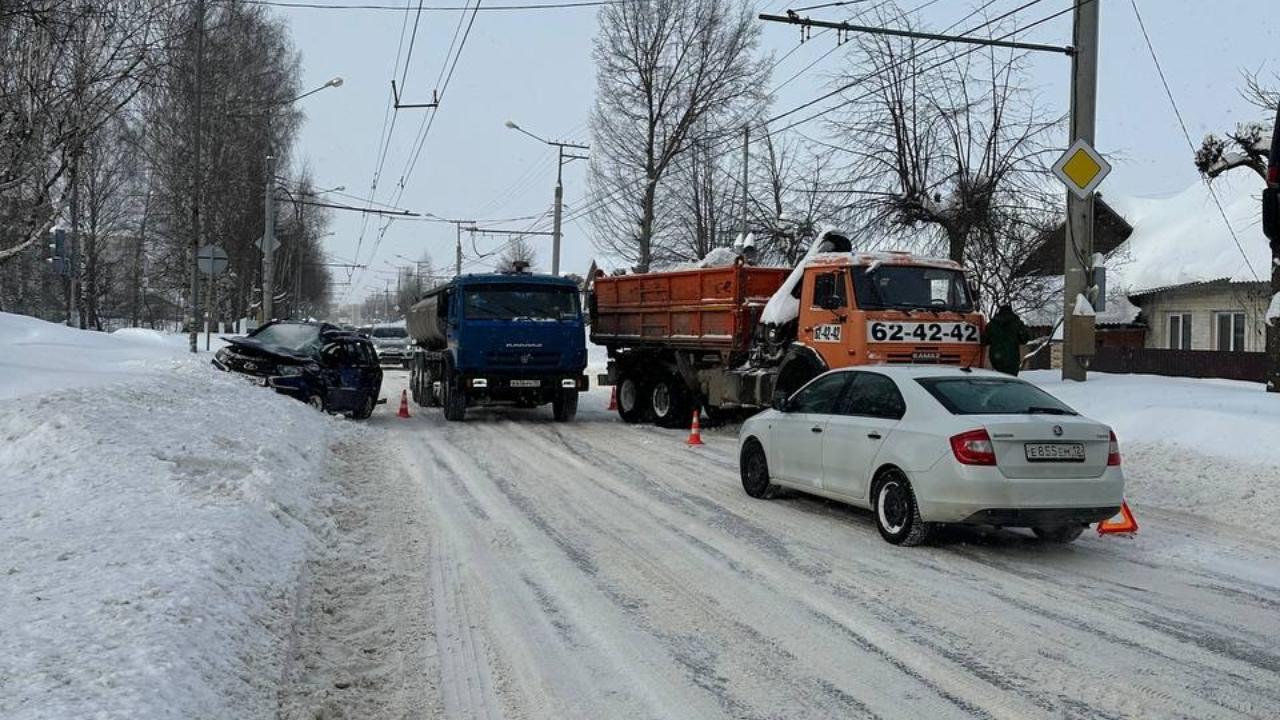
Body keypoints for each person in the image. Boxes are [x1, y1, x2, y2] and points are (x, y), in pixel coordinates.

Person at [984, 304, 1032, 376]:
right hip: (1012, 358)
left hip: (996, 357)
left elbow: (985, 340)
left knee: (998, 377)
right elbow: (1025, 339)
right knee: (1011, 379)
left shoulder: (992, 324)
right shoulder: (1017, 323)